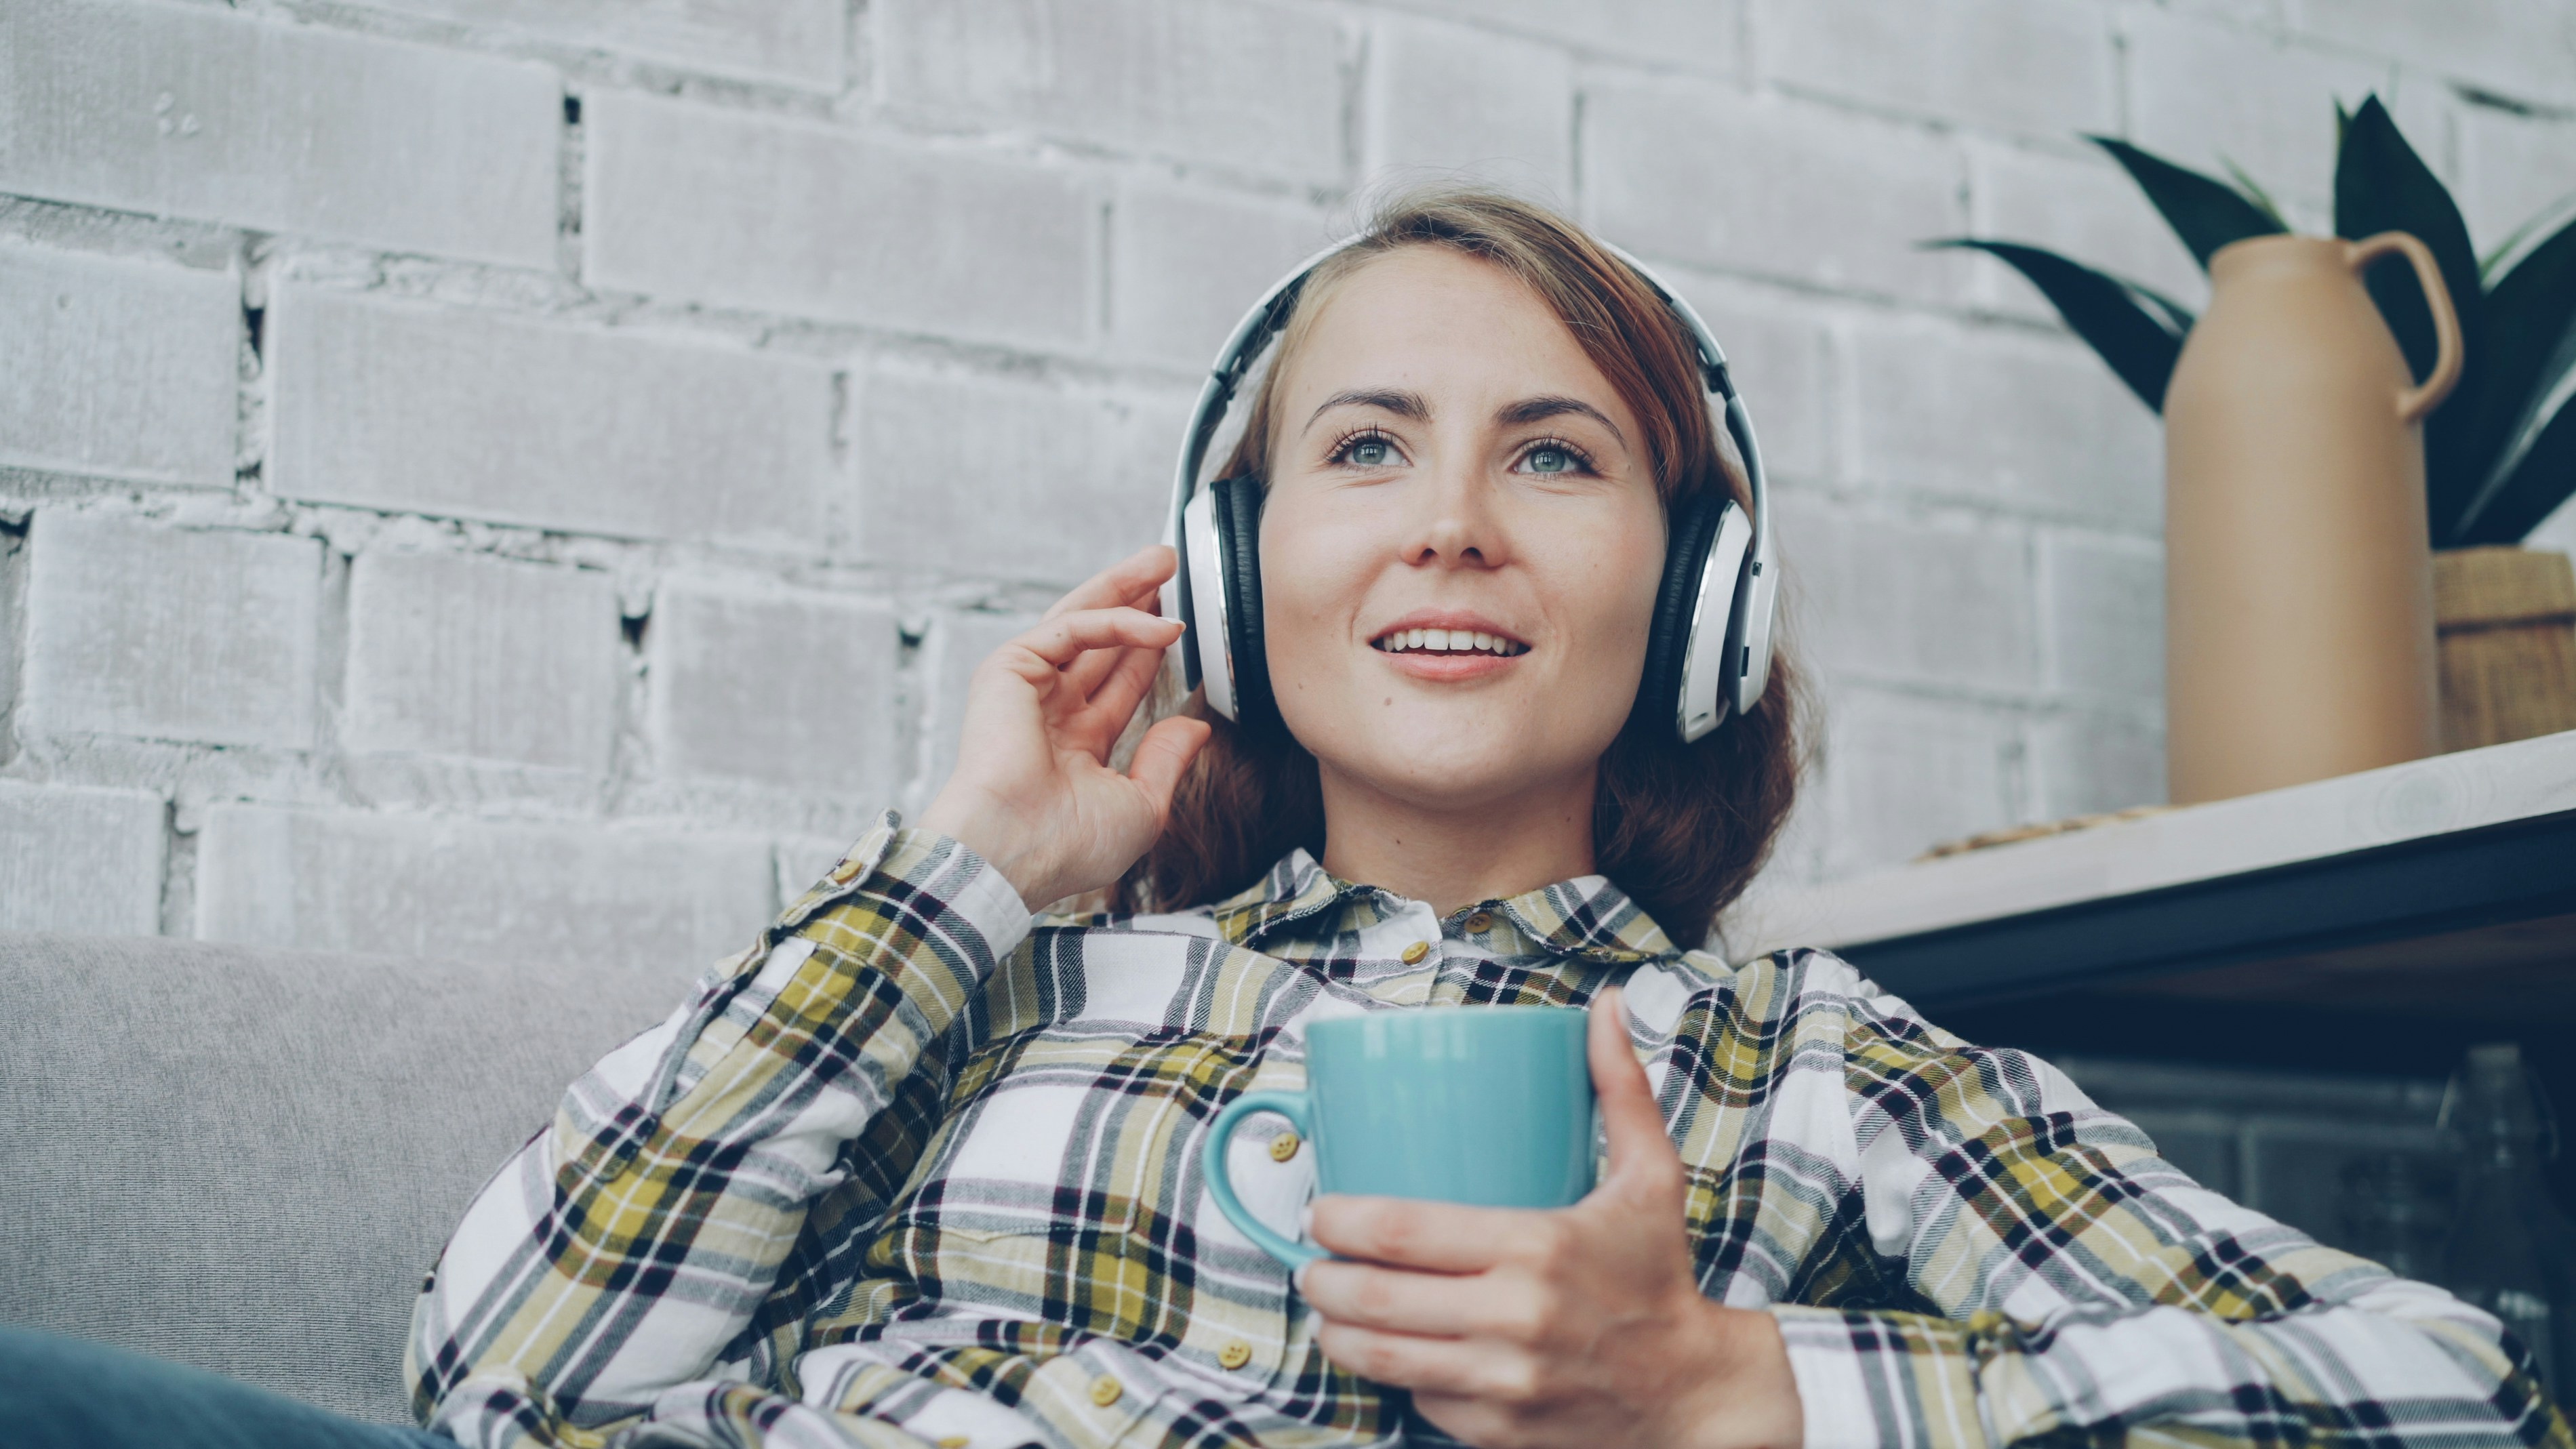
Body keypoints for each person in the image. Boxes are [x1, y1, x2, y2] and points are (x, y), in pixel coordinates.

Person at [8, 186, 2562, 1449]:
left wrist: (1730, 1392)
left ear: (1688, 608)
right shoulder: (1002, 984)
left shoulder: (1807, 1062)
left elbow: (2451, 1386)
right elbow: (507, 1386)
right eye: (1365, 451)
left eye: (1554, 455)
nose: (1449, 519)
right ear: (1241, 573)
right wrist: (965, 873)